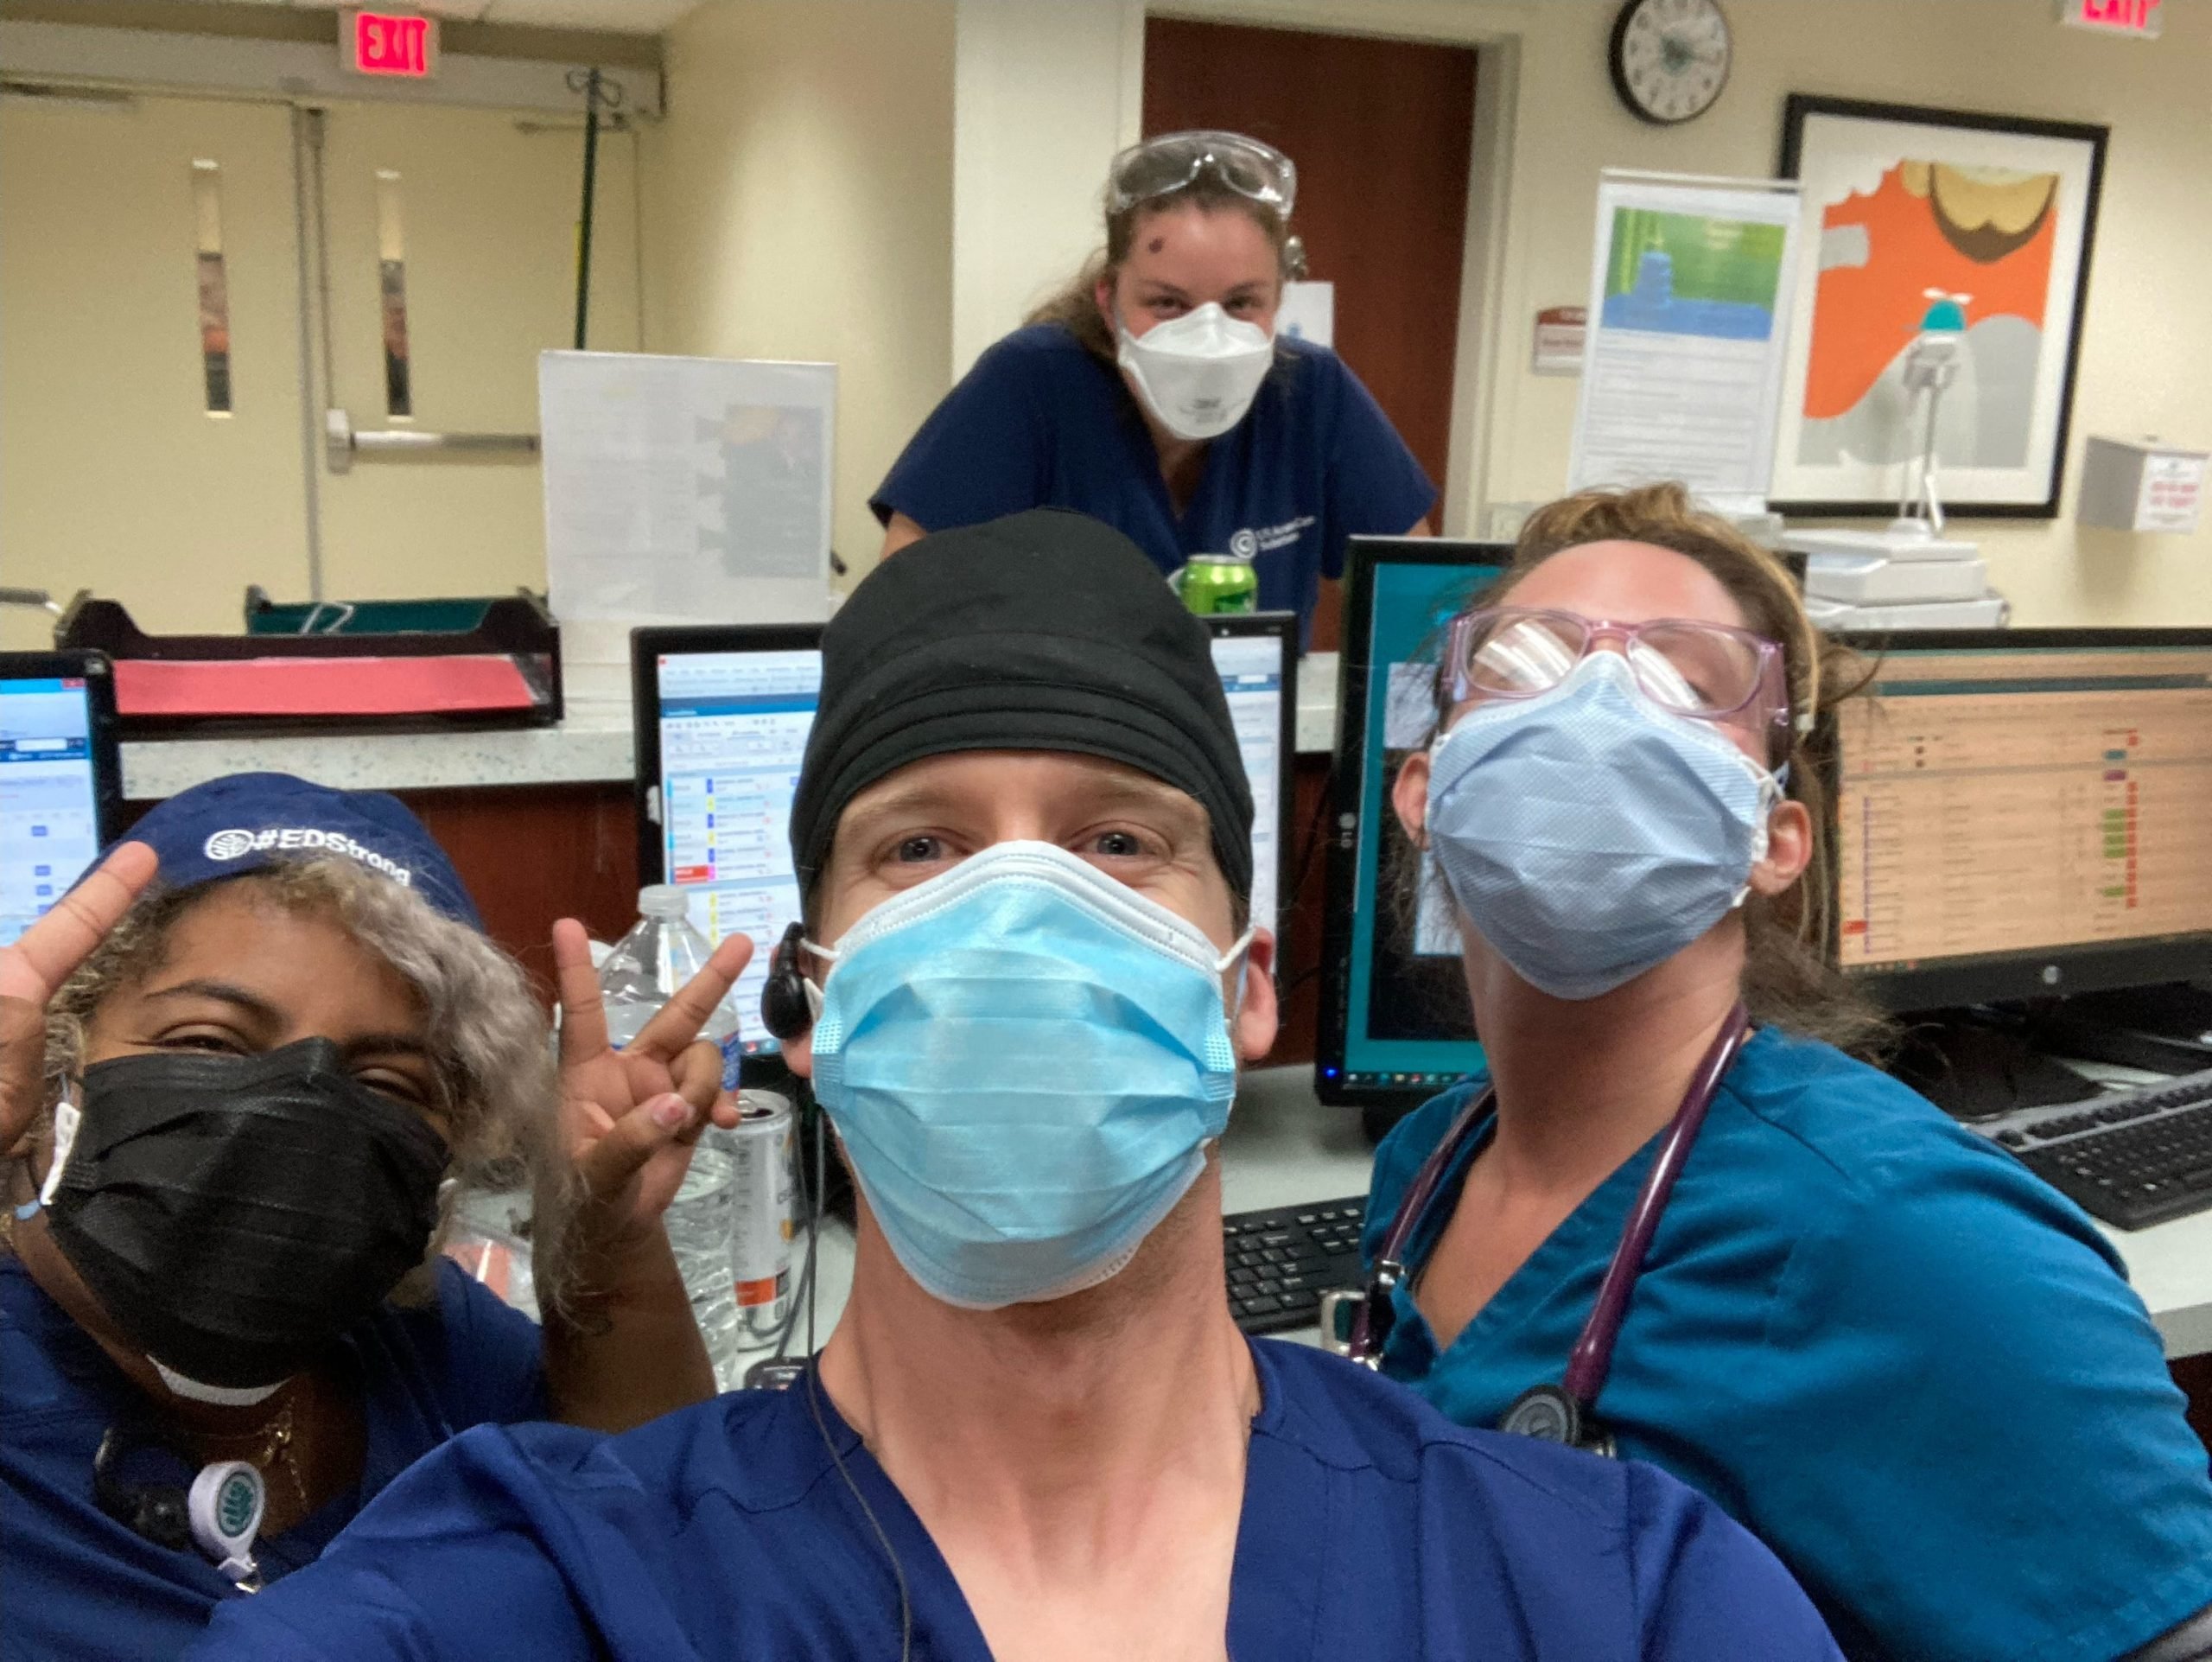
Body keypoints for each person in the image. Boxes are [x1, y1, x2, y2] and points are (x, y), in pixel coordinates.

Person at [190, 511, 1840, 1662]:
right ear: (814, 1008)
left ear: (1244, 987)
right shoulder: (542, 1585)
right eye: (920, 846)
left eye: (1122, 840)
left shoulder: (1620, 1595)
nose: (1022, 908)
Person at [1358, 483, 2212, 1662]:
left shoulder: (1913, 1238)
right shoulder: (1427, 1168)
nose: (1599, 702)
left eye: (1687, 683)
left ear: (1773, 838)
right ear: (1424, 789)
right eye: (1529, 661)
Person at [1, 772, 751, 1659]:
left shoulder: (418, 1341)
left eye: (388, 1082)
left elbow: (647, 1536)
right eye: (208, 1043)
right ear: (59, 1060)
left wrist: (606, 1235)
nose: (297, 1111)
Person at [871, 130, 1434, 640]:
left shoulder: (1311, 393)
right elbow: (904, 599)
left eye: (1242, 303)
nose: (1209, 337)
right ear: (1108, 299)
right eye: (1167, 303)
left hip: (1244, 734)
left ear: (1278, 300)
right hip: (1063, 740)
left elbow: (1416, 601)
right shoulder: (1030, 385)